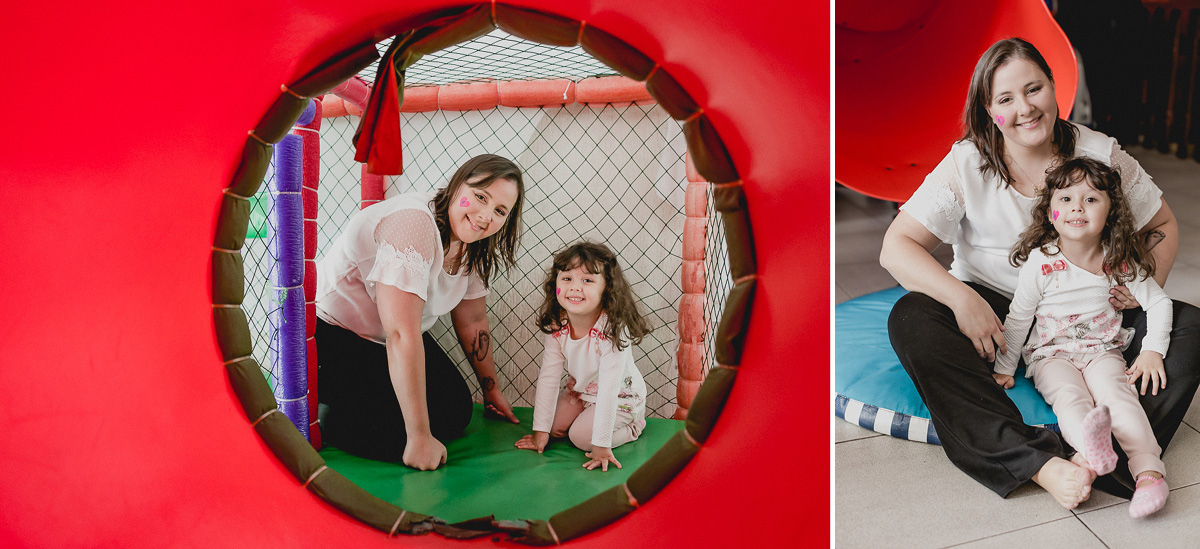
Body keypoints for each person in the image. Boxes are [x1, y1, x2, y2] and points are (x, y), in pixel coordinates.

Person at [879, 37, 1200, 510]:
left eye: (1034, 89)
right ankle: (1039, 461)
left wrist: (1139, 290)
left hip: (1093, 311)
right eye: (1006, 99)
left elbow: (1161, 226)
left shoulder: (1099, 151)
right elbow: (896, 247)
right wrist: (963, 300)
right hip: (995, 313)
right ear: (989, 111)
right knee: (912, 317)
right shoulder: (967, 161)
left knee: (1189, 326)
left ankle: (1106, 457)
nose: (1025, 108)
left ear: (1054, 86)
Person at [315, 154, 524, 470]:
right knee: (395, 432)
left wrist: (491, 390)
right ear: (457, 185)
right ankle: (330, 416)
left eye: (499, 211)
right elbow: (400, 334)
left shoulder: (474, 243)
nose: (485, 216)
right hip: (336, 335)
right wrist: (419, 437)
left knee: (455, 410)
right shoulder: (413, 225)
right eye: (481, 197)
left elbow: (473, 320)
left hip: (393, 335)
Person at [992, 158, 1172, 518]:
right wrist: (1005, 366)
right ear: (1050, 213)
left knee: (1119, 397)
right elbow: (1019, 318)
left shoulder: (1120, 261)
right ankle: (1092, 452)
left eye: (1091, 199)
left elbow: (1159, 302)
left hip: (1103, 352)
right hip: (1051, 355)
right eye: (1065, 199)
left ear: (1111, 212)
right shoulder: (1041, 263)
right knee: (1070, 398)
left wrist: (1153, 350)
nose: (1077, 207)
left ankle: (1150, 474)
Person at [513, 242, 652, 472]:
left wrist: (602, 445)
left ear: (607, 289)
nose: (575, 287)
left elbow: (609, 388)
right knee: (552, 428)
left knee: (581, 438)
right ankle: (583, 418)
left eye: (587, 280)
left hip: (620, 397)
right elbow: (549, 377)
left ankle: (633, 426)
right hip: (581, 392)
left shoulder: (612, 329)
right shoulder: (559, 324)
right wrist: (540, 432)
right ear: (555, 284)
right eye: (567, 279)